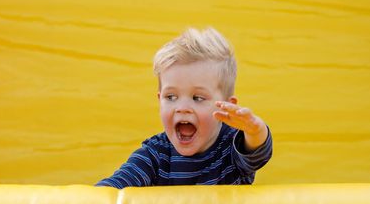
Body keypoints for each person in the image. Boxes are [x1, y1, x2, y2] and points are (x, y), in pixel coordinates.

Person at [95, 27, 272, 188]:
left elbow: (257, 152)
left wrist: (255, 131)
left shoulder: (232, 150)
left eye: (198, 98)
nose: (182, 108)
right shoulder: (156, 155)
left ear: (226, 108)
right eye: (171, 97)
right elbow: (114, 188)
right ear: (159, 100)